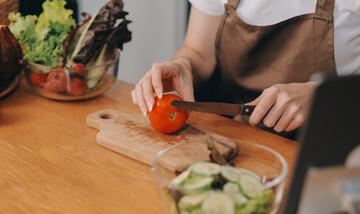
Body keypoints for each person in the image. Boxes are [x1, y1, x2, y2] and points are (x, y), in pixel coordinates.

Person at [131, 0, 360, 138]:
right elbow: (198, 50)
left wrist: (323, 96)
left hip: (338, 146)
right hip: (245, 139)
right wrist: (184, 64)